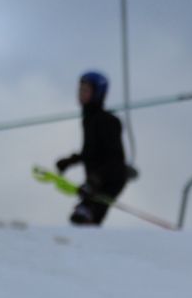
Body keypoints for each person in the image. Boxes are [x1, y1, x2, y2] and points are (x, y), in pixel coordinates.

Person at [54, 71, 134, 226]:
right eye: (80, 90)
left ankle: (91, 243)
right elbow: (90, 152)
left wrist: (96, 179)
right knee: (81, 217)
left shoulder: (108, 121)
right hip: (95, 180)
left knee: (87, 217)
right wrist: (70, 161)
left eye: (85, 90)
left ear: (98, 94)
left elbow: (116, 158)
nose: (81, 94)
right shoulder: (89, 120)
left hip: (110, 180)